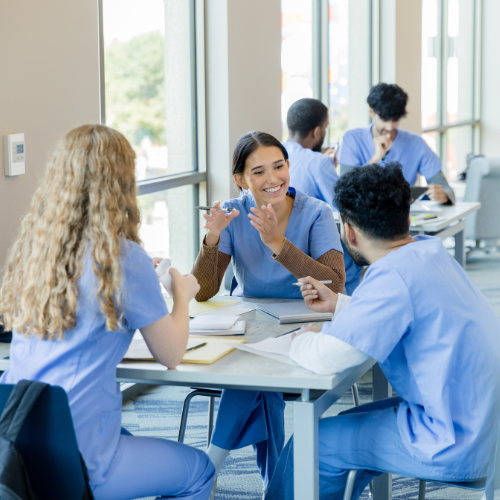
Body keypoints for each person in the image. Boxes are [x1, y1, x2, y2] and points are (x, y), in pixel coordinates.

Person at [0, 125, 215, 500]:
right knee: (200, 470)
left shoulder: (35, 251)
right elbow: (171, 354)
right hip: (82, 456)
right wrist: (182, 295)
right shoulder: (124, 259)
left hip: (20, 442)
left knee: (128, 438)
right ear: (122, 184)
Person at [265, 162, 500, 500]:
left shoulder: (391, 275)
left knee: (312, 441)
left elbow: (328, 358)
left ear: (349, 232)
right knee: (342, 425)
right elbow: (410, 312)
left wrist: (301, 338)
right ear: (407, 219)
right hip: (481, 420)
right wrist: (341, 305)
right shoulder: (428, 252)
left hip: (452, 439)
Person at [190, 131, 345, 498]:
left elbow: (334, 284)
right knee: (260, 378)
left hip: (304, 327)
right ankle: (274, 485)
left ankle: (210, 466)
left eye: (279, 167)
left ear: (290, 167)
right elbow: (204, 290)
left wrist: (277, 243)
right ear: (241, 179)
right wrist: (212, 239)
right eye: (258, 172)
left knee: (253, 373)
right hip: (251, 324)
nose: (273, 179)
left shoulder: (316, 213)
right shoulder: (233, 212)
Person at [283, 97, 363, 295]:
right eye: (325, 127)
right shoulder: (319, 162)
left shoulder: (276, 152)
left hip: (280, 243)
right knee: (354, 259)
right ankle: (349, 308)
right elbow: (343, 207)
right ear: (317, 131)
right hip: (309, 248)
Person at [339, 83, 455, 205]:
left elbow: (446, 189)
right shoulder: (352, 139)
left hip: (402, 218)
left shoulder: (416, 143)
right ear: (372, 112)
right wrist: (375, 158)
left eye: (395, 120)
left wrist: (443, 196)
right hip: (362, 218)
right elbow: (344, 192)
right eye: (384, 119)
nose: (390, 127)